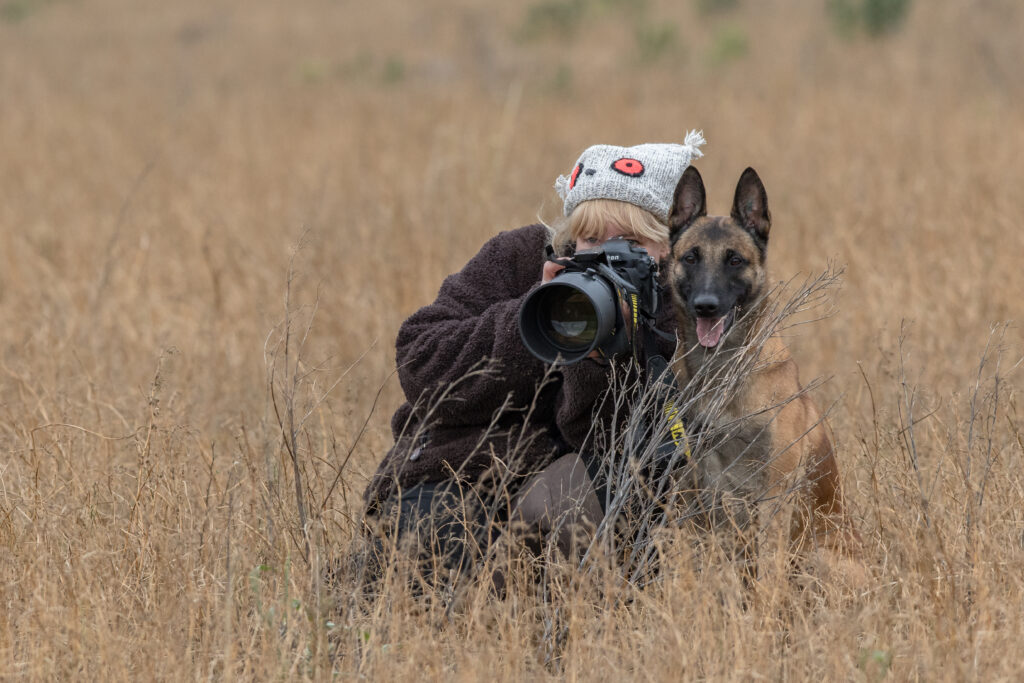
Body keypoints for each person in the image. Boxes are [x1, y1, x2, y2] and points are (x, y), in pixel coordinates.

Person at [361, 132, 706, 588]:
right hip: (461, 464)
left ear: (668, 250)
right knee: (430, 552)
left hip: (573, 484)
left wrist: (601, 346)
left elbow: (610, 443)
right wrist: (537, 316)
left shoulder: (680, 305)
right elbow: (420, 361)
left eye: (631, 243)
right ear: (567, 239)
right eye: (589, 237)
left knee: (557, 519)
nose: (604, 255)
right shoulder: (520, 257)